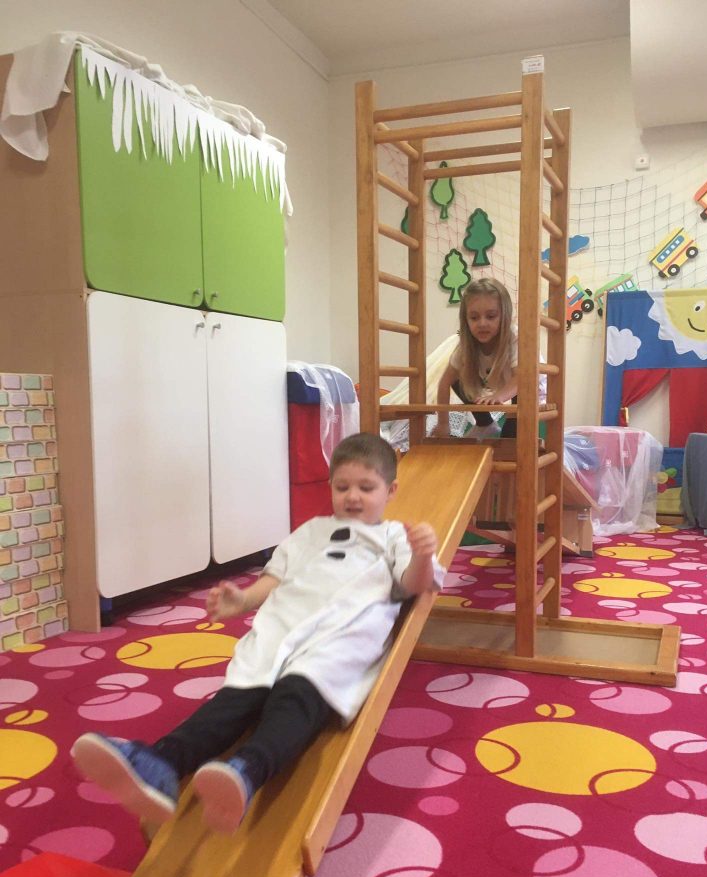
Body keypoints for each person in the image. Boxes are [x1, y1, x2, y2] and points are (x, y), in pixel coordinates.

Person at [72, 433, 443, 834]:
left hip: (338, 640)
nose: (352, 496)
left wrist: (423, 554)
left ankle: (246, 772)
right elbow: (275, 577)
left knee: (295, 698)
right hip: (282, 629)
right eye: (342, 487)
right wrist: (244, 600)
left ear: (390, 491)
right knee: (235, 699)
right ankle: (160, 764)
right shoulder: (311, 531)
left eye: (366, 488)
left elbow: (414, 583)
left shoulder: (393, 536)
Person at [435, 277, 519, 439]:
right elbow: (444, 383)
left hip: (528, 387)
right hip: (499, 382)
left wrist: (499, 396)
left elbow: (522, 379)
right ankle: (484, 423)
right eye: (474, 318)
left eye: (491, 316)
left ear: (504, 317)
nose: (482, 323)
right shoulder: (466, 347)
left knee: (510, 437)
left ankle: (511, 423)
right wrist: (443, 424)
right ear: (466, 320)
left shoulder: (514, 338)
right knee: (458, 378)